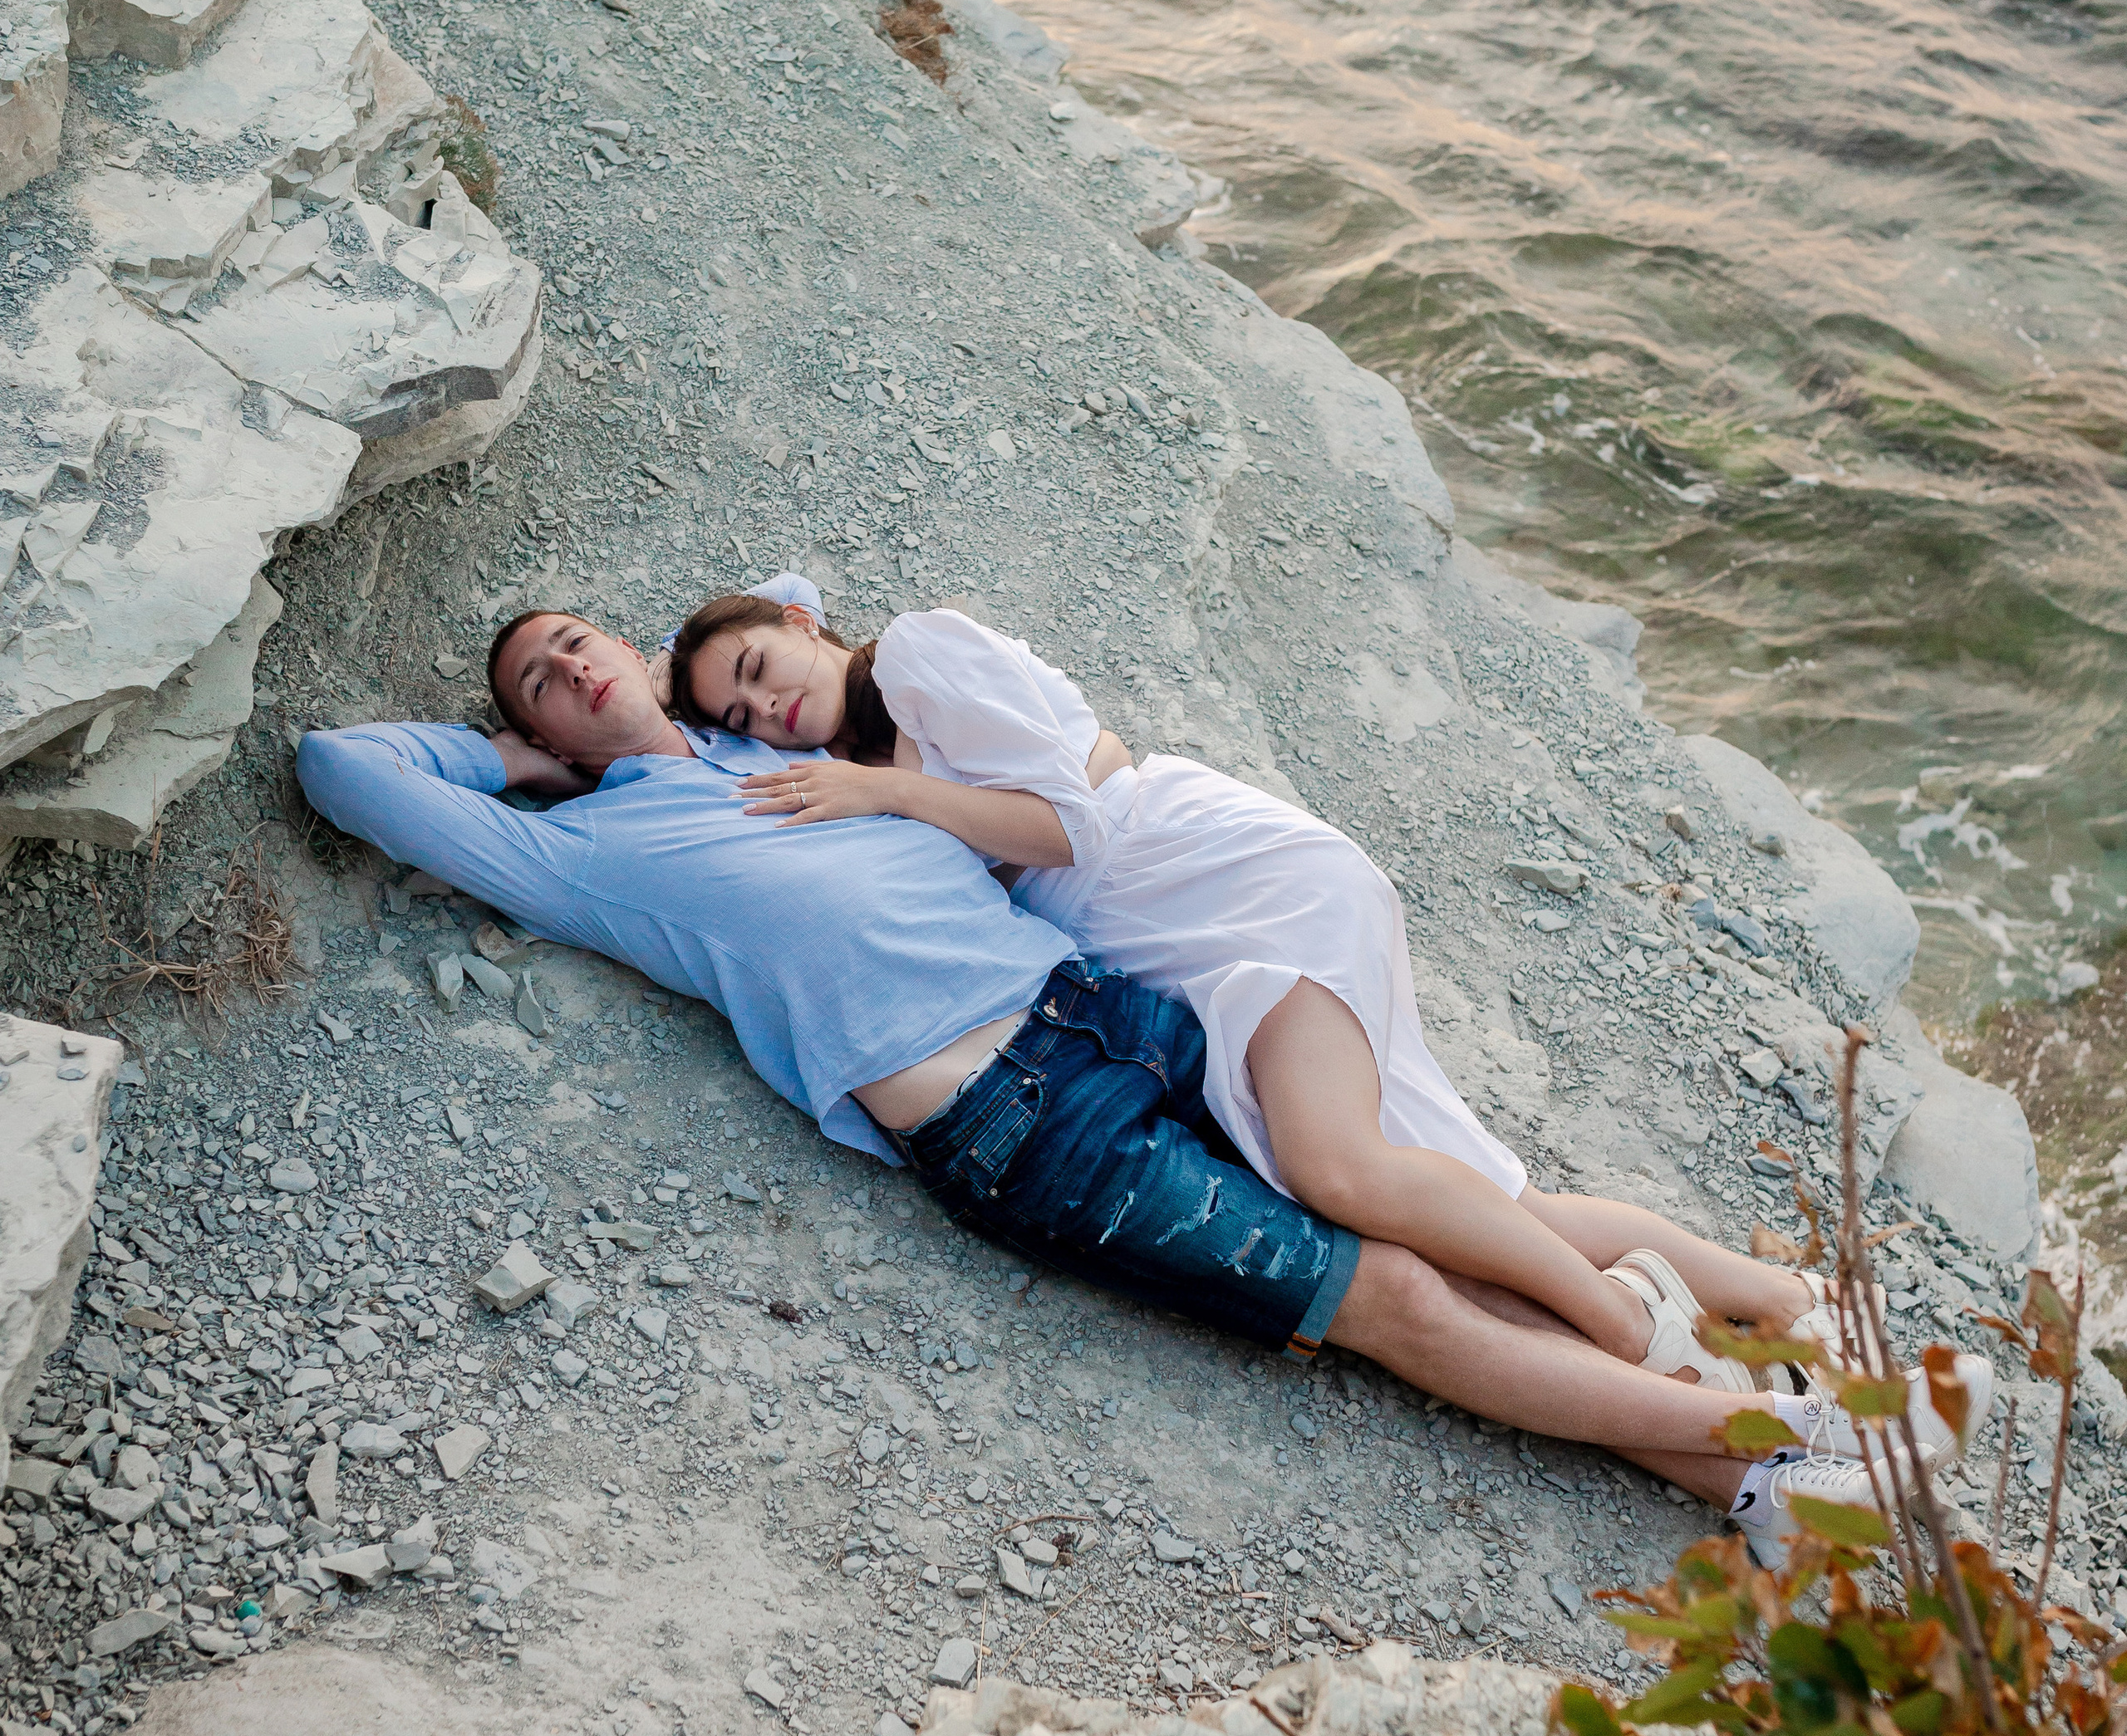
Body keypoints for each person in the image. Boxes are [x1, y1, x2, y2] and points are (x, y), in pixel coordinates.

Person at [295, 604, 1957, 1559]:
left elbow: (975, 775)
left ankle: (1757, 1452)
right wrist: (515, 764)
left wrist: (769, 737)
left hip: (1111, 1009)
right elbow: (341, 771)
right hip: (1023, 1124)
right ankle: (1768, 1438)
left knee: (1411, 1197)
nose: (567, 671)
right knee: (1388, 1297)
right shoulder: (589, 849)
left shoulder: (779, 751)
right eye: (536, 681)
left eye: (577, 645)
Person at [661, 582, 1897, 1402]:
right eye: (744, 712)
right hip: (1177, 960)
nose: (767, 707)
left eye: (763, 665)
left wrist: (891, 795)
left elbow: (1071, 822)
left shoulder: (922, 656)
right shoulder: (832, 765)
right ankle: (1792, 1303)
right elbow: (685, 770)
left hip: (1217, 882)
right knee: (1463, 1191)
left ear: (800, 619)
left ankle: (1633, 1335)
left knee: (1339, 1170)